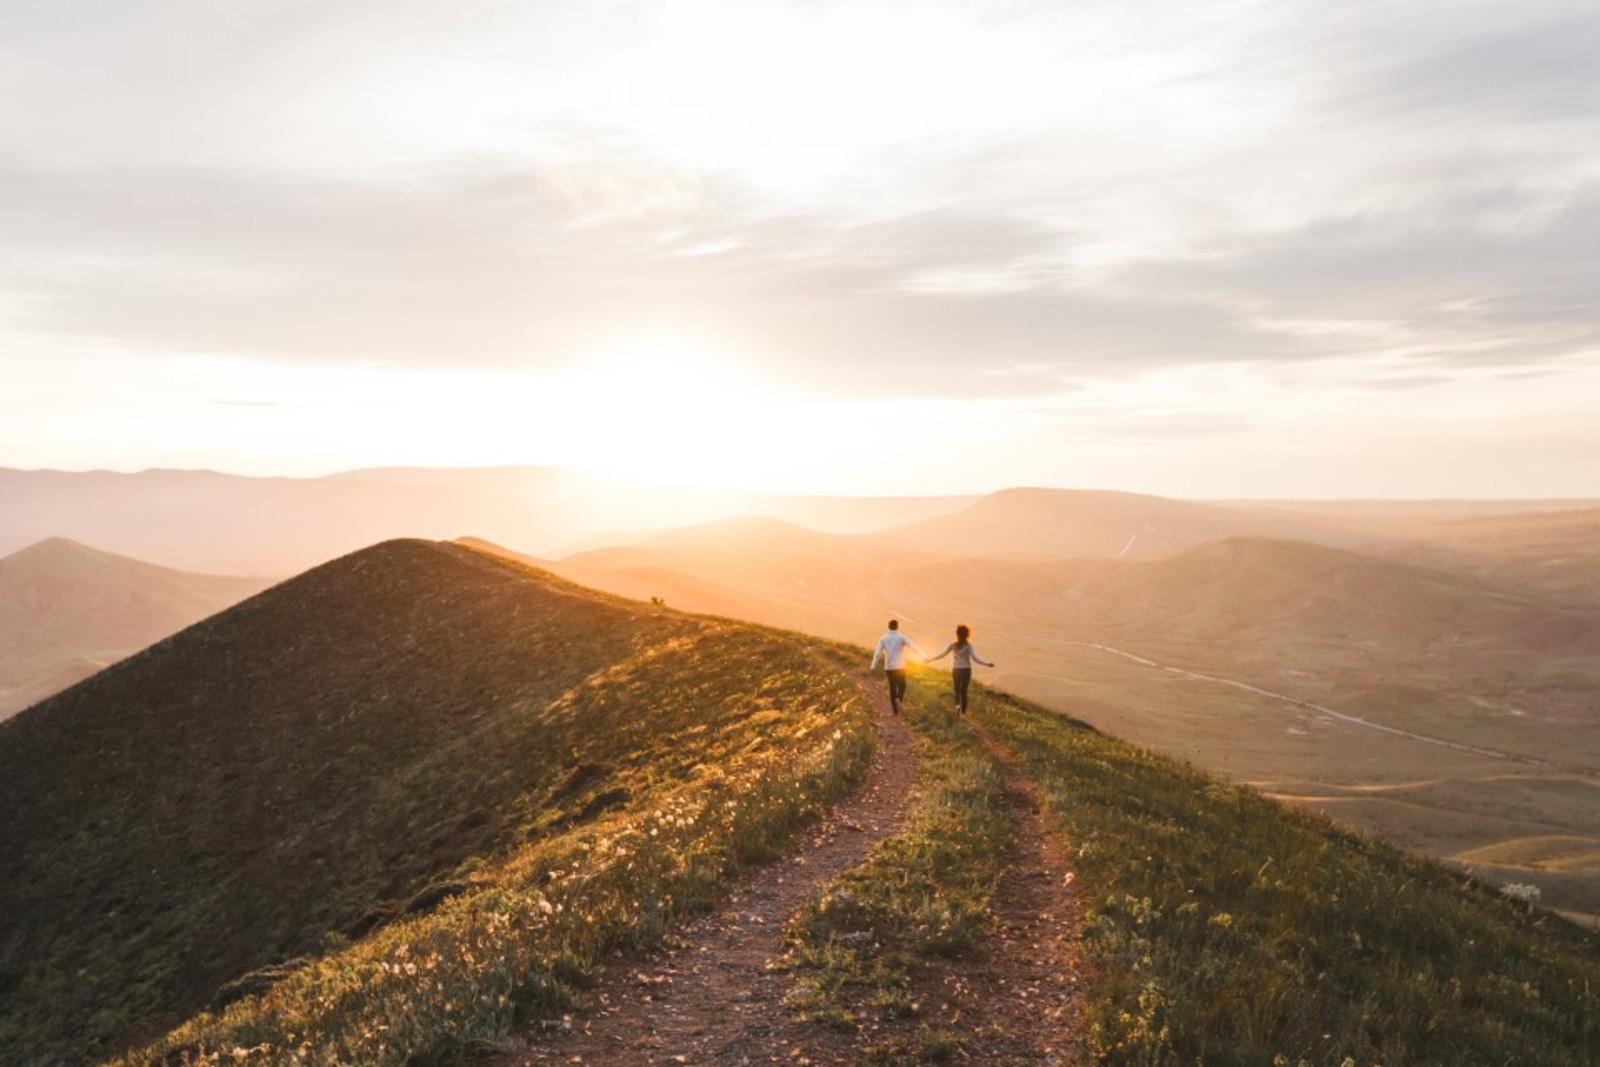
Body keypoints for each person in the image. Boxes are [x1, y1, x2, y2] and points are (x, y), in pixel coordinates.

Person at [926, 624, 994, 715]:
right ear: (967, 635)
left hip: (956, 670)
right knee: (964, 691)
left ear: (957, 634)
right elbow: (975, 658)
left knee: (957, 690)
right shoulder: (968, 646)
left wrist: (930, 659)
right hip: (966, 670)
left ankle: (957, 705)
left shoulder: (953, 645)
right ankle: (963, 711)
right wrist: (987, 664)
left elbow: (942, 655)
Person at [869, 619, 924, 715]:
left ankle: (895, 710)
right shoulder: (901, 637)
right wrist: (923, 656)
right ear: (897, 627)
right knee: (902, 684)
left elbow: (878, 653)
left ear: (888, 627)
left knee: (892, 687)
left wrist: (873, 666)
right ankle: (899, 698)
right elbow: (913, 646)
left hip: (889, 667)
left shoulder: (883, 638)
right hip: (900, 666)